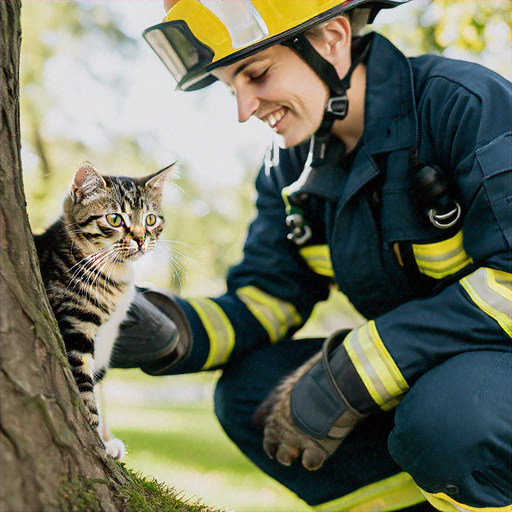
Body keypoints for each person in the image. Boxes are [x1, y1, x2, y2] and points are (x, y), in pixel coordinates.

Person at [111, 1, 512, 511]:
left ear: (333, 39)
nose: (243, 108)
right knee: (250, 395)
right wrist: (170, 331)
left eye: (255, 74)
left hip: (484, 388)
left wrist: (349, 373)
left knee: (452, 419)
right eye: (229, 85)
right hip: (443, 372)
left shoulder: (463, 105)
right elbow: (267, 297)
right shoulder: (289, 168)